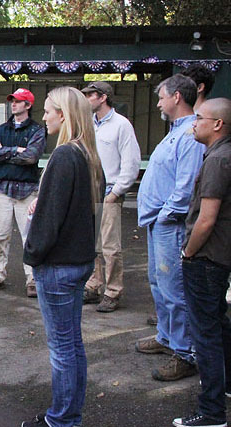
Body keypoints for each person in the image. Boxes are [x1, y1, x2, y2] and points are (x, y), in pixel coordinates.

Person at [20, 86, 103, 427]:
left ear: (64, 115)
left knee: (63, 348)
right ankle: (69, 414)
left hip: (59, 265)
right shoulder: (83, 154)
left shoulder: (65, 156)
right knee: (72, 345)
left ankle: (63, 420)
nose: (44, 116)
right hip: (77, 260)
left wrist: (33, 254)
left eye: (49, 110)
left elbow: (52, 218)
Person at [174, 98, 231, 427]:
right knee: (217, 321)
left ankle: (212, 410)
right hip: (219, 257)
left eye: (200, 118)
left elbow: (207, 219)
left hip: (206, 259)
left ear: (218, 124)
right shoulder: (229, 156)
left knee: (204, 332)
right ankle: (229, 384)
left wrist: (188, 252)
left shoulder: (219, 161)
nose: (194, 123)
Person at [136, 74, 205, 382]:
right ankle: (166, 337)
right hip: (157, 222)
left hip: (169, 224)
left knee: (174, 289)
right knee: (158, 284)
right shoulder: (175, 132)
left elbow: (186, 184)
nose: (159, 102)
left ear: (177, 97)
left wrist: (167, 214)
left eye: (162, 96)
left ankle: (186, 352)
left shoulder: (190, 135)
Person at [81, 81, 142, 313]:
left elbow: (131, 162)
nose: (86, 99)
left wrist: (116, 192)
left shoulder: (121, 125)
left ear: (103, 97)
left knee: (110, 246)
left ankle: (113, 291)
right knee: (92, 244)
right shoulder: (89, 125)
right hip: (90, 193)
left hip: (109, 194)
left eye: (90, 95)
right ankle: (94, 285)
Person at [0, 88, 46, 298]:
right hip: (4, 190)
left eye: (18, 101)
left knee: (30, 238)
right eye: (12, 101)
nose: (13, 104)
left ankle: (33, 279)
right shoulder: (2, 128)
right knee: (0, 236)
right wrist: (16, 150)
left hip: (27, 191)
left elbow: (31, 158)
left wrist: (5, 152)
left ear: (28, 105)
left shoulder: (37, 130)